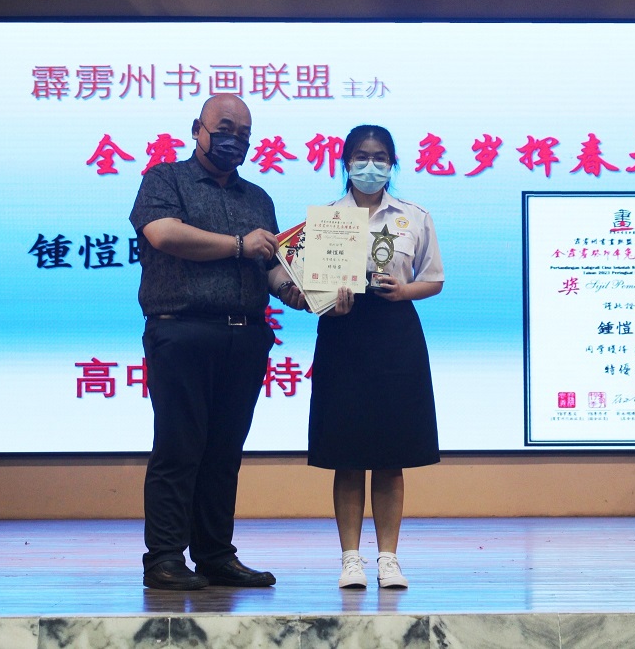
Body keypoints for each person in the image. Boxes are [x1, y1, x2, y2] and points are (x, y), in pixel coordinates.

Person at [130, 94, 304, 591]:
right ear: (197, 129)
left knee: (225, 452)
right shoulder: (165, 179)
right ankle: (164, 558)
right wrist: (238, 245)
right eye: (224, 129)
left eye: (244, 134)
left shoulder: (258, 198)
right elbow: (164, 234)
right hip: (181, 330)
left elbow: (271, 266)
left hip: (245, 336)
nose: (234, 141)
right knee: (178, 447)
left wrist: (298, 292)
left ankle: (214, 555)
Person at [308, 125, 444, 589]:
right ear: (345, 162)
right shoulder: (326, 218)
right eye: (361, 156)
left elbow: (434, 279)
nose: (371, 165)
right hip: (342, 332)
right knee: (346, 454)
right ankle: (351, 559)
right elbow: (310, 285)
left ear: (393, 163)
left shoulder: (413, 216)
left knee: (391, 452)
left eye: (380, 156)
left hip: (395, 334)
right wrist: (329, 298)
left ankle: (389, 559)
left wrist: (404, 290)